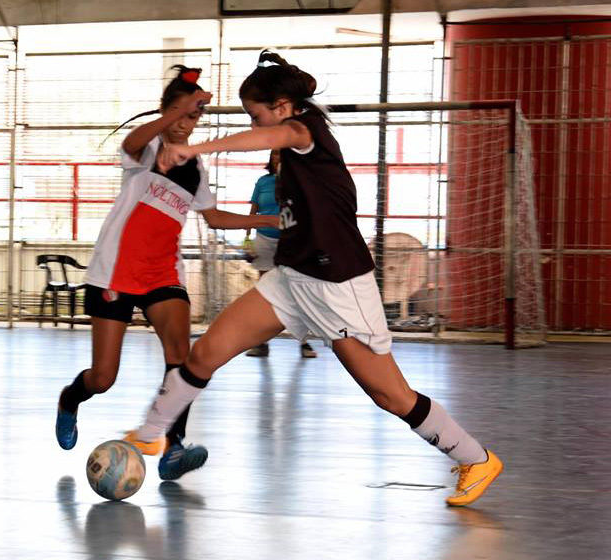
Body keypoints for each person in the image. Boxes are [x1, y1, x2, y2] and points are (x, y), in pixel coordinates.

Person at [123, 51, 503, 507]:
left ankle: (475, 458)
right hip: (292, 277)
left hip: (336, 284)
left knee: (389, 395)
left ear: (282, 107)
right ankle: (150, 433)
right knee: (205, 352)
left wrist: (195, 148)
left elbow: (273, 135)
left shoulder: (305, 131)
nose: (255, 126)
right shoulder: (289, 150)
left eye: (256, 115)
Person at [55, 65, 278, 481]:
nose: (184, 123)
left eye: (193, 116)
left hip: (163, 275)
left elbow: (214, 218)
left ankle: (174, 447)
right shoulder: (148, 149)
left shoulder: (194, 168)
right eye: (178, 114)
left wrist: (267, 221)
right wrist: (174, 112)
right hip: (115, 273)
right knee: (102, 377)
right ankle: (70, 399)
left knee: (181, 359)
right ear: (165, 112)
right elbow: (131, 141)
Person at [244, 150, 317, 359]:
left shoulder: (299, 181)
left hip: (290, 240)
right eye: (275, 154)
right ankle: (261, 343)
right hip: (264, 239)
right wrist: (247, 239)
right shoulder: (263, 182)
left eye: (282, 154)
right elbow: (253, 211)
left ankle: (304, 342)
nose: (278, 158)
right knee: (264, 293)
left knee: (296, 290)